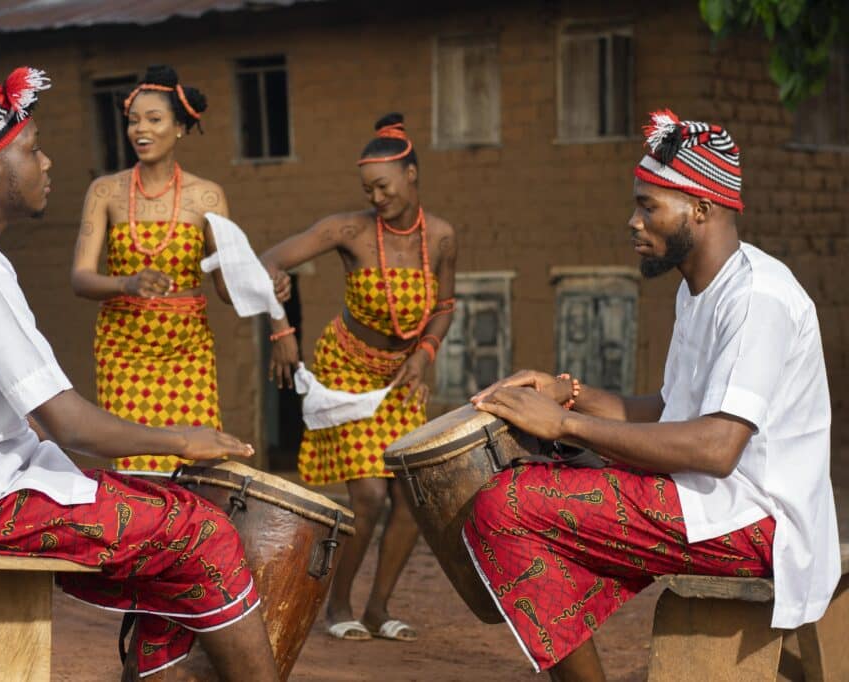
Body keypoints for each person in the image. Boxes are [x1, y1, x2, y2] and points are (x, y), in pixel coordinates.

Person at [0, 67, 279, 681]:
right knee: (202, 530)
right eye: (33, 148)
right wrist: (184, 439)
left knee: (167, 518)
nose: (47, 163)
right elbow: (66, 423)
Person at [467, 109, 839, 681]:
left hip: (753, 521)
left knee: (505, 504)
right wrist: (569, 394)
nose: (633, 221)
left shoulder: (758, 298)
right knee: (533, 493)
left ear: (701, 209)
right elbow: (670, 411)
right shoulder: (702, 288)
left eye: (648, 206)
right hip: (708, 503)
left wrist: (563, 427)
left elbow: (716, 448)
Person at [261, 114, 458, 642]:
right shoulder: (346, 231)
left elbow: (445, 304)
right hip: (346, 371)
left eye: (385, 187)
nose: (376, 198)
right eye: (368, 189)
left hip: (401, 379)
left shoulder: (439, 238)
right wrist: (281, 330)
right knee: (369, 496)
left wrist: (426, 352)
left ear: (412, 174)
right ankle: (339, 605)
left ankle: (378, 608)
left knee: (412, 498)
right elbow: (266, 263)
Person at [71, 64, 289, 476]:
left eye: (154, 119)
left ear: (180, 127)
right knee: (135, 466)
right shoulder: (105, 191)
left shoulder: (207, 196)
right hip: (124, 349)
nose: (140, 130)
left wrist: (269, 295)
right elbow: (80, 278)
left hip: (187, 350)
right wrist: (126, 283)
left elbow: (227, 287)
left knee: (194, 465)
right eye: (133, 121)